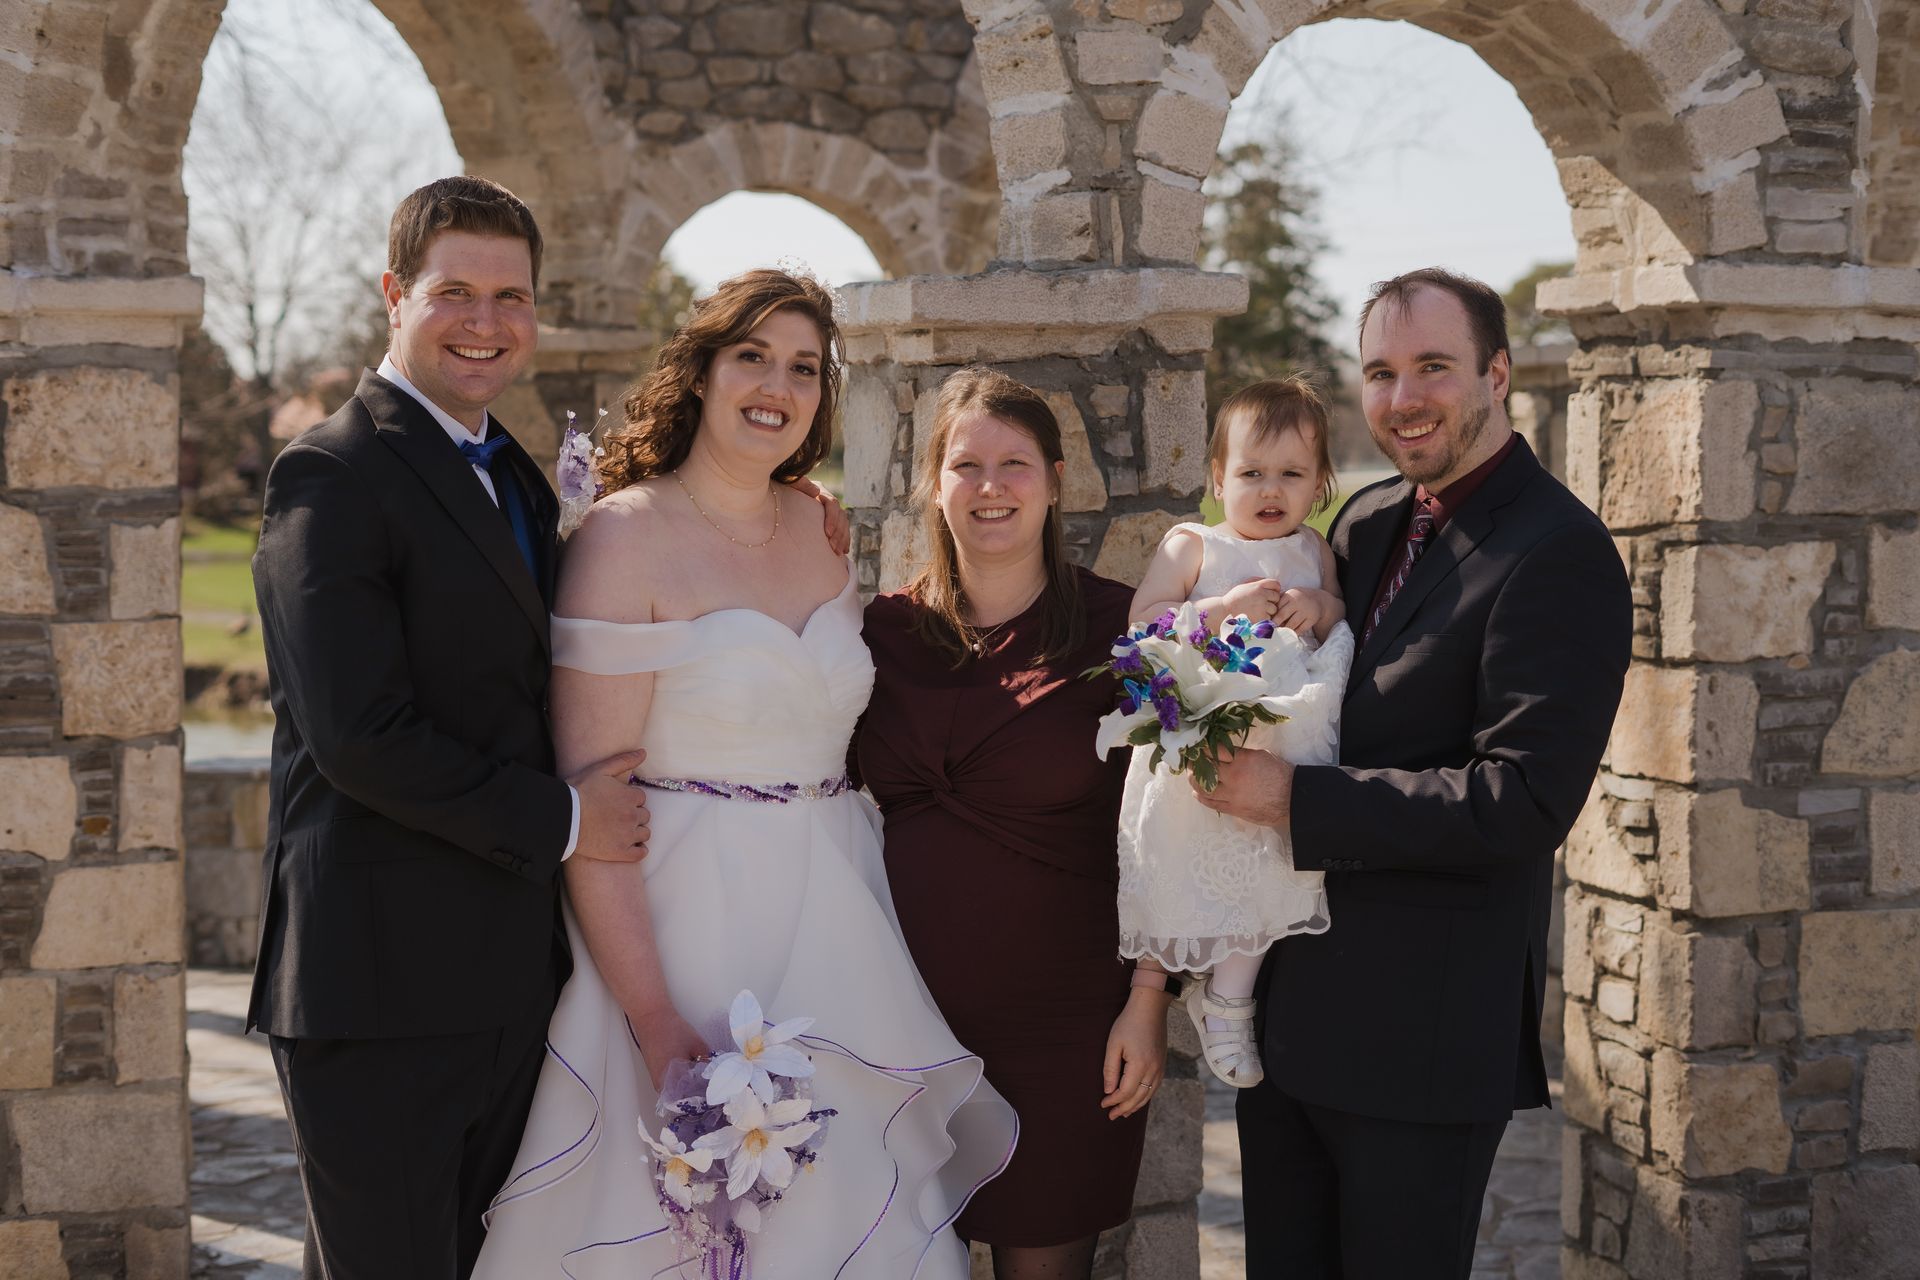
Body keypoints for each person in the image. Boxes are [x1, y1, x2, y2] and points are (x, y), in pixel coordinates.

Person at [473, 271, 1017, 1279]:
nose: (779, 383)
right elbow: (592, 800)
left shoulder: (820, 530)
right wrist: (653, 1022)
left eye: (805, 367)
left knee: (843, 1210)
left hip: (838, 922)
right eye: (754, 356)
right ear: (702, 371)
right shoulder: (622, 536)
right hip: (683, 926)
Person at [247, 176, 653, 1279]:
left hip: (512, 980)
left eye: (511, 297)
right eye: (455, 293)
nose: (487, 323)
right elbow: (358, 733)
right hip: (375, 988)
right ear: (394, 294)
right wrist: (569, 818)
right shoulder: (332, 473)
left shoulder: (513, 472)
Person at [1198, 267, 1632, 1278]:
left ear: (1498, 371)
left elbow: (1520, 800)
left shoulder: (1559, 550)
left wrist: (1293, 801)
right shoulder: (1366, 520)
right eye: (1380, 372)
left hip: (1423, 1043)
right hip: (1292, 1026)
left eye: (1433, 366)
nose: (1403, 399)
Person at [856, 367, 1168, 1280]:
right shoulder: (877, 635)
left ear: (1057, 478)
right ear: (932, 484)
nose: (989, 487)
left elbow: (1169, 832)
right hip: (900, 1024)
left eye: (1015, 464)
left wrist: (1149, 1000)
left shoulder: (1127, 632)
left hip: (1067, 1025)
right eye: (966, 465)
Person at [1120, 375, 1354, 1089]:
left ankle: (1229, 1000)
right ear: (1219, 478)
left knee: (1273, 871)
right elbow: (1143, 626)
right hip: (1203, 742)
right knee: (1183, 862)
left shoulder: (1313, 550)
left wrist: (1319, 603)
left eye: (1292, 474)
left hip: (1282, 752)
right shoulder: (1193, 543)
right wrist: (1222, 606)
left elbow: (1339, 613)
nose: (1269, 489)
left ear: (1319, 485)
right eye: (1251, 473)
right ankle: (1169, 984)